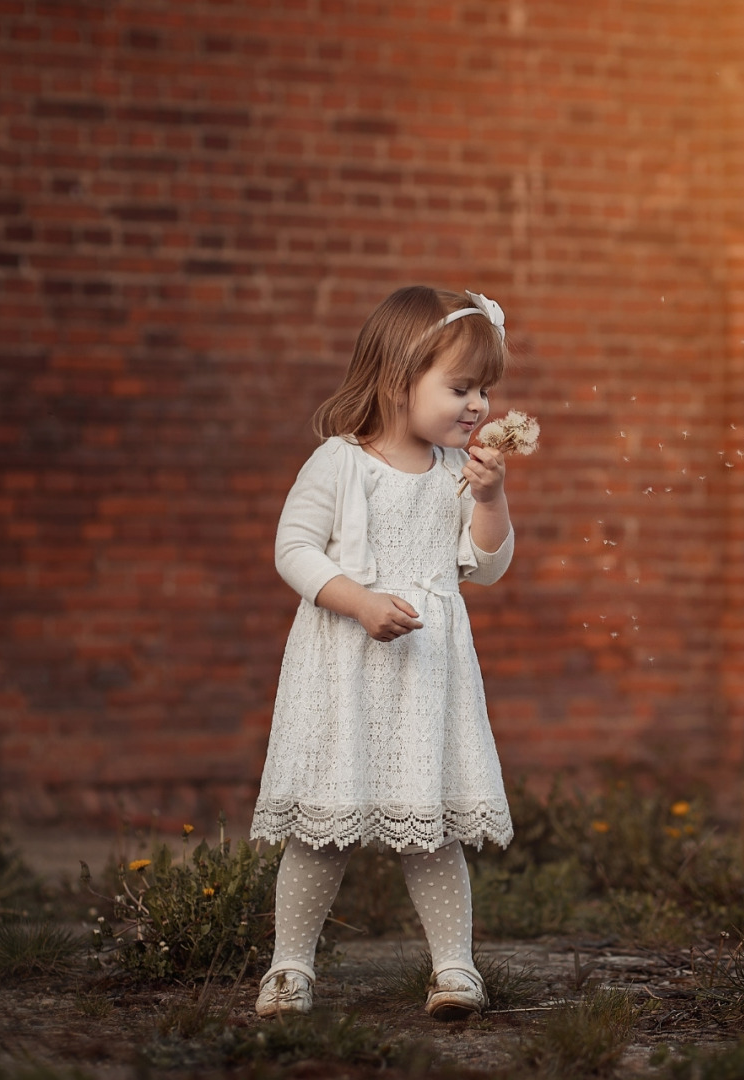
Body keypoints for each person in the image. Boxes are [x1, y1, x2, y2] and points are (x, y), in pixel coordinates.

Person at [249, 286, 517, 1021]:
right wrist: (358, 600)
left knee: (428, 827)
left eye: (485, 389)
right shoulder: (339, 464)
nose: (478, 405)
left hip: (427, 676)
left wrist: (491, 501)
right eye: (460, 387)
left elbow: (487, 565)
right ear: (400, 377)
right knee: (319, 828)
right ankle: (289, 968)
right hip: (343, 670)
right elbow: (293, 550)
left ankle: (455, 969)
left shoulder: (457, 474)